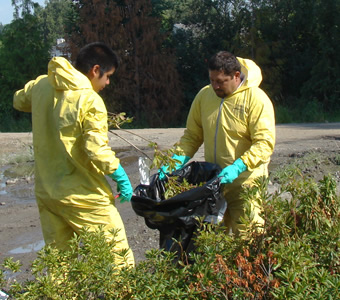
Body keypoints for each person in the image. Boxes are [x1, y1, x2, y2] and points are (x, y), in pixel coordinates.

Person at [13, 42, 135, 267]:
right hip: (84, 196)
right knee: (118, 258)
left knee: (60, 265)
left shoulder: (42, 84)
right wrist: (119, 175)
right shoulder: (90, 100)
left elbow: (19, 100)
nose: (107, 83)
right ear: (95, 70)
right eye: (107, 76)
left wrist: (43, 92)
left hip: (48, 193)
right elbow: (96, 150)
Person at [160, 51, 275, 235]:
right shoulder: (204, 96)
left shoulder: (256, 99)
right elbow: (192, 137)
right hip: (214, 185)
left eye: (220, 81)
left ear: (236, 76)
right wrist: (172, 163)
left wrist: (238, 166)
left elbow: (264, 143)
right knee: (213, 242)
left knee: (249, 238)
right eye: (212, 80)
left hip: (246, 185)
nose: (215, 86)